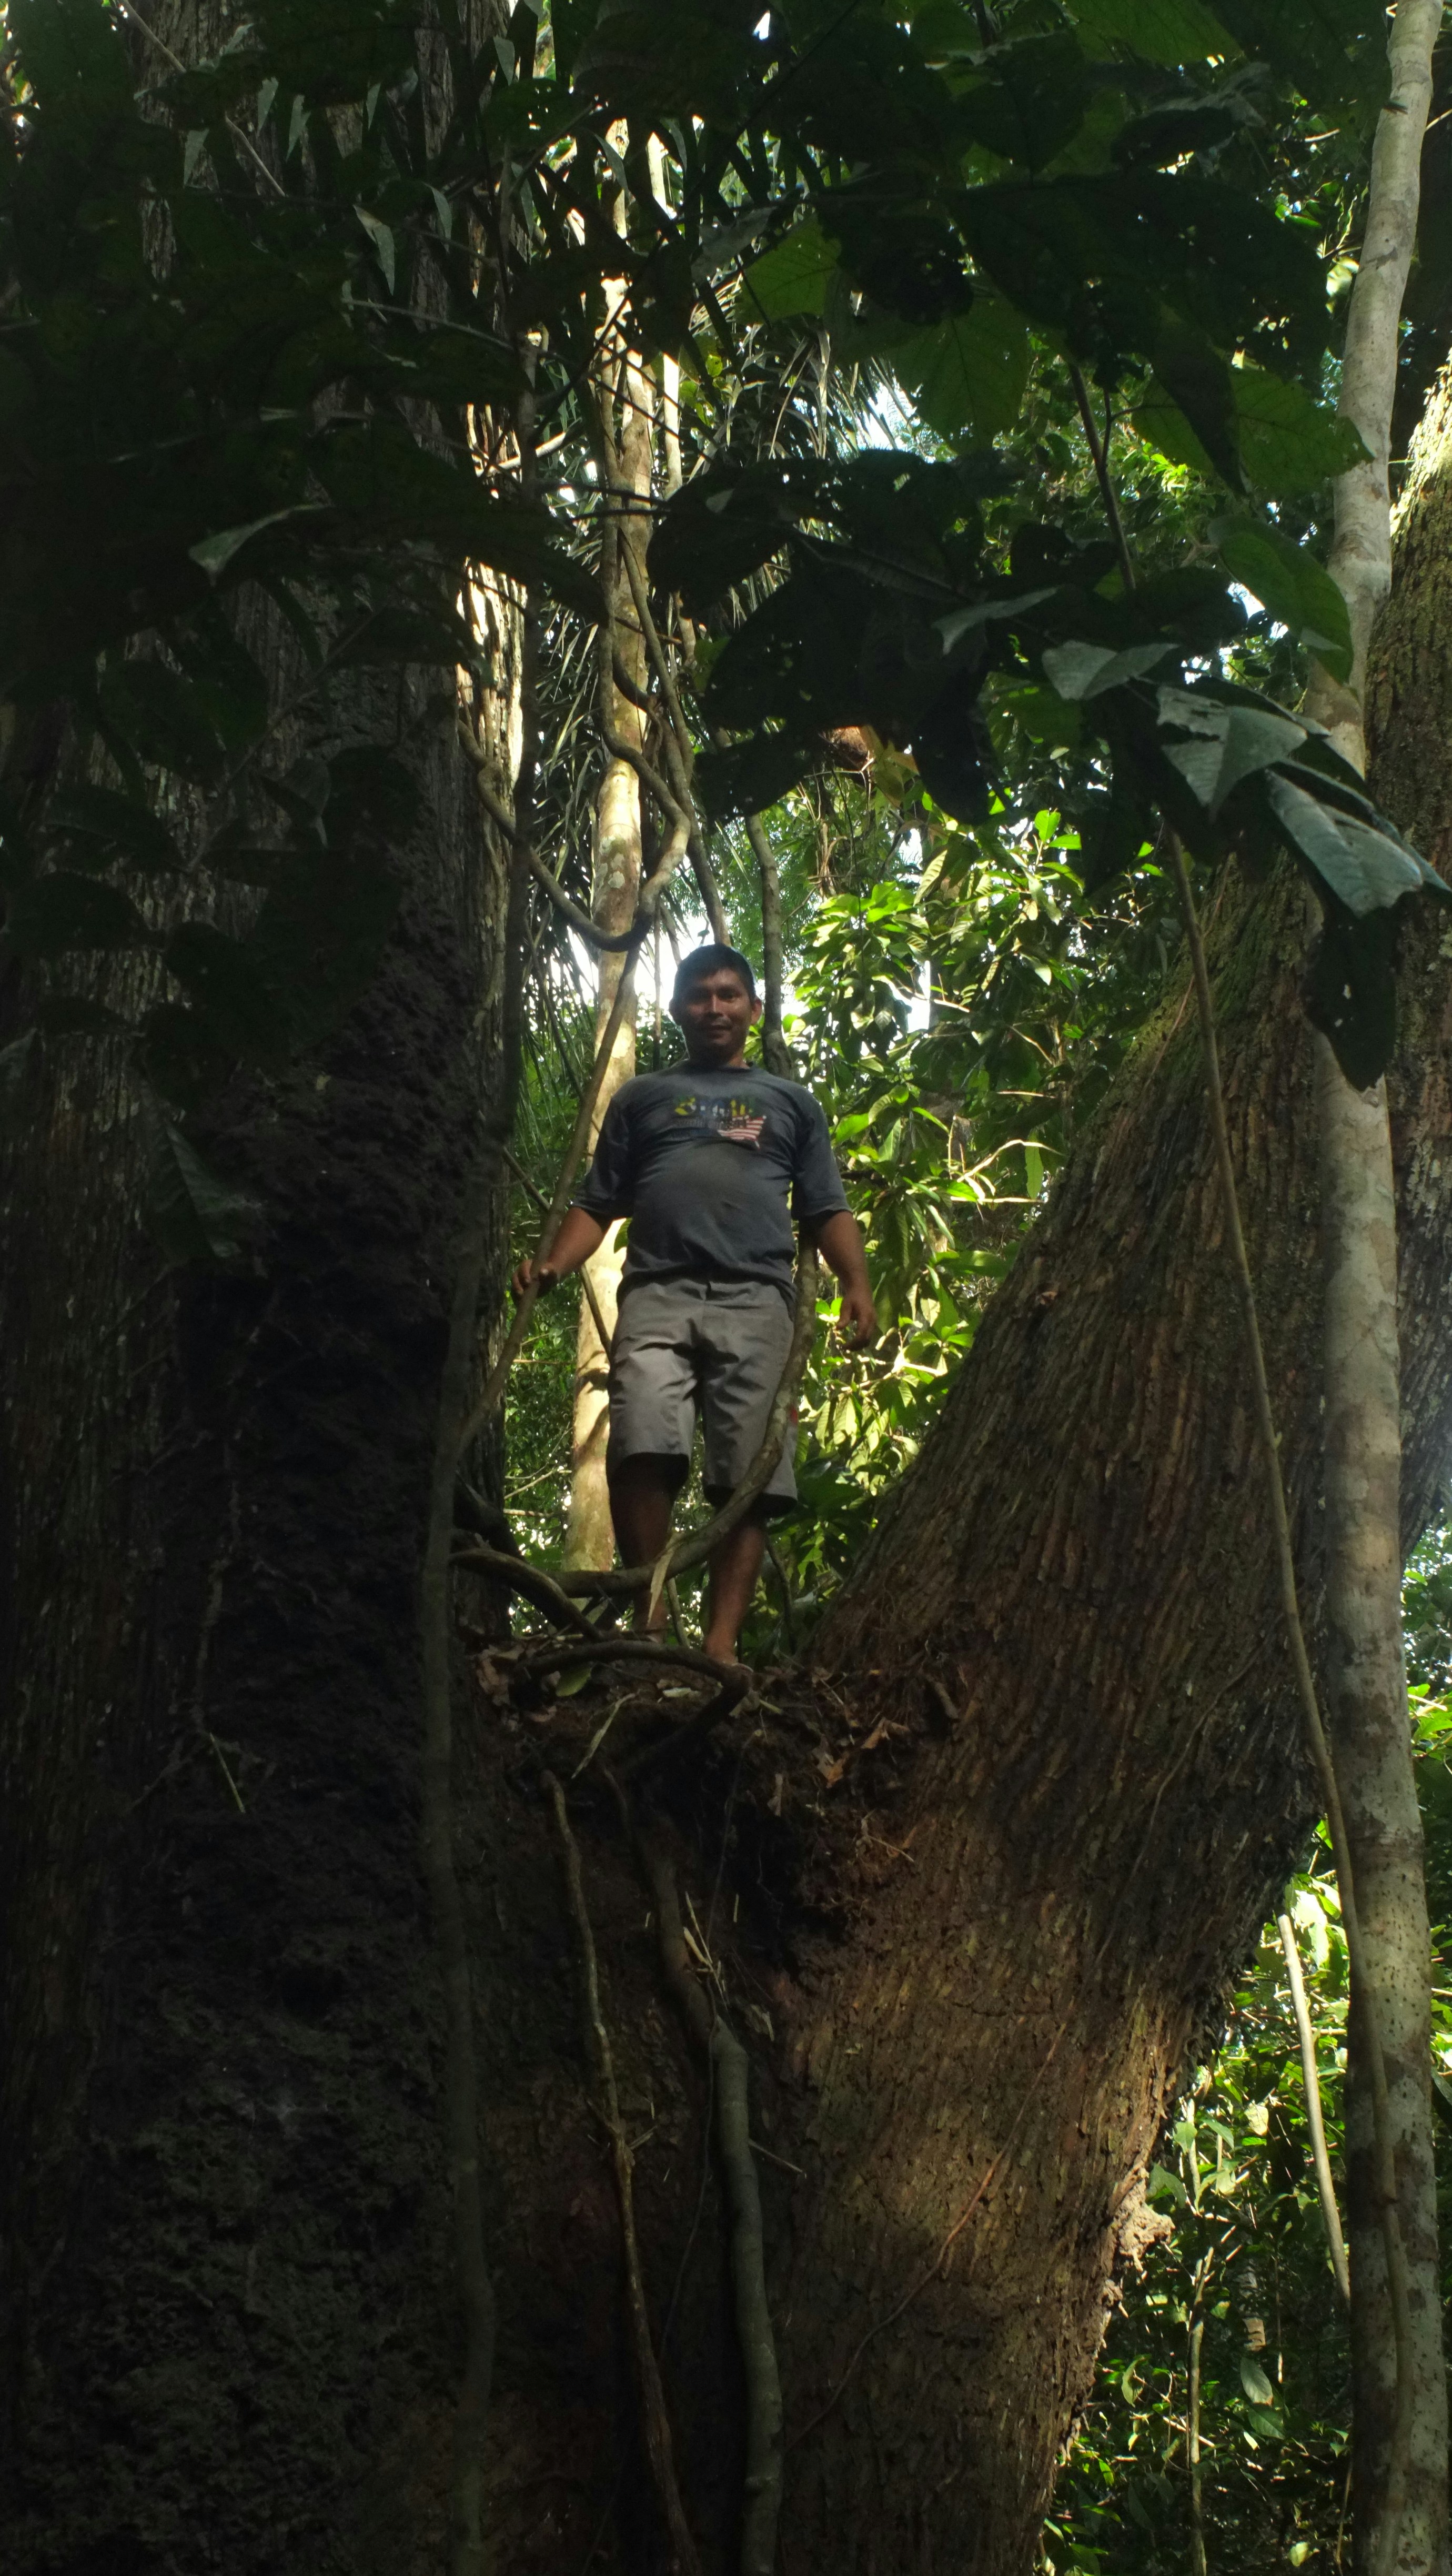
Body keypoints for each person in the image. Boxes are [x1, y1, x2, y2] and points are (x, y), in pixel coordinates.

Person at [512, 943, 875, 1663]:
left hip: (757, 1298)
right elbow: (599, 1201)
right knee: (642, 1447)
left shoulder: (792, 1104)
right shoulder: (643, 1097)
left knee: (750, 1477)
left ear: (753, 1009)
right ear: (677, 1008)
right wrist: (552, 1264)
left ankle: (719, 1648)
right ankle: (650, 1630)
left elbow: (826, 1208)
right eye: (701, 995)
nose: (715, 1007)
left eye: (730, 994)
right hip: (657, 1291)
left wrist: (856, 1285)